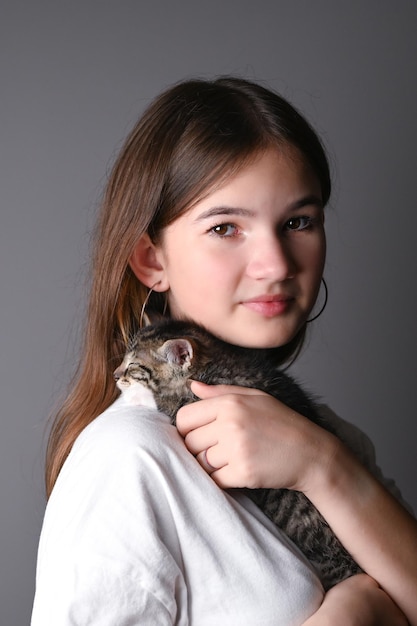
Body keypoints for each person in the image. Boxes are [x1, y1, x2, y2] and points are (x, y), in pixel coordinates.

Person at [31, 77, 417, 625]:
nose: (277, 264)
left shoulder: (330, 438)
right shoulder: (130, 463)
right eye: (226, 227)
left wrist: (325, 466)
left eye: (298, 222)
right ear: (151, 261)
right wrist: (355, 613)